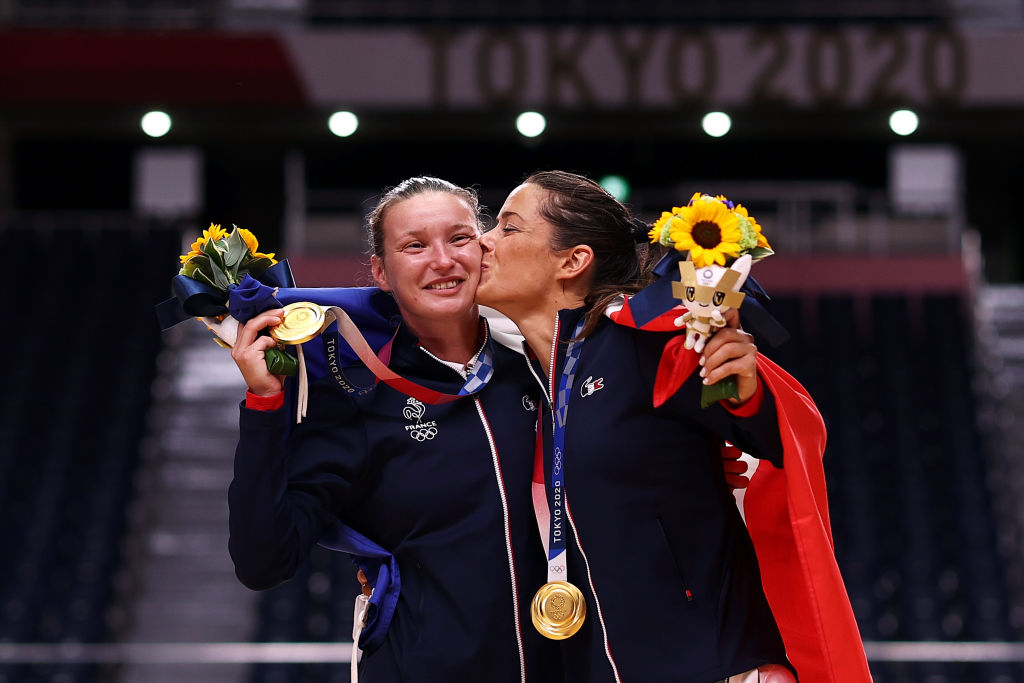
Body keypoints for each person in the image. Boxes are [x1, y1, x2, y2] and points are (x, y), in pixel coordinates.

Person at [475, 170, 872, 682]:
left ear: (572, 261)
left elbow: (769, 432)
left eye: (508, 228)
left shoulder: (645, 342)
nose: (482, 241)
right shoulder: (527, 383)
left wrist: (744, 391)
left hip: (713, 665)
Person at [225, 176, 561, 682]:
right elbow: (263, 561)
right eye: (415, 246)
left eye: (460, 238)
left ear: (485, 249)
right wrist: (265, 404)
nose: (443, 261)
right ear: (381, 272)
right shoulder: (355, 398)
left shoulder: (540, 368)